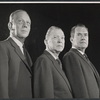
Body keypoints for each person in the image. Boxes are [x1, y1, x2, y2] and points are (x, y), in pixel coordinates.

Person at [0, 10, 33, 98]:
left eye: (28, 23)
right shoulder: (2, 47)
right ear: (10, 26)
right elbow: (1, 85)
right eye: (20, 21)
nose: (25, 25)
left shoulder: (25, 52)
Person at [33, 26, 73, 98]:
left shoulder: (58, 62)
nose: (60, 41)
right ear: (46, 42)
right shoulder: (43, 61)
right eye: (55, 37)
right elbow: (45, 95)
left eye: (62, 38)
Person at [63, 24, 100, 98]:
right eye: (79, 35)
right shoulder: (71, 56)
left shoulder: (85, 57)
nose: (83, 38)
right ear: (71, 39)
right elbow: (79, 89)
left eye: (85, 35)